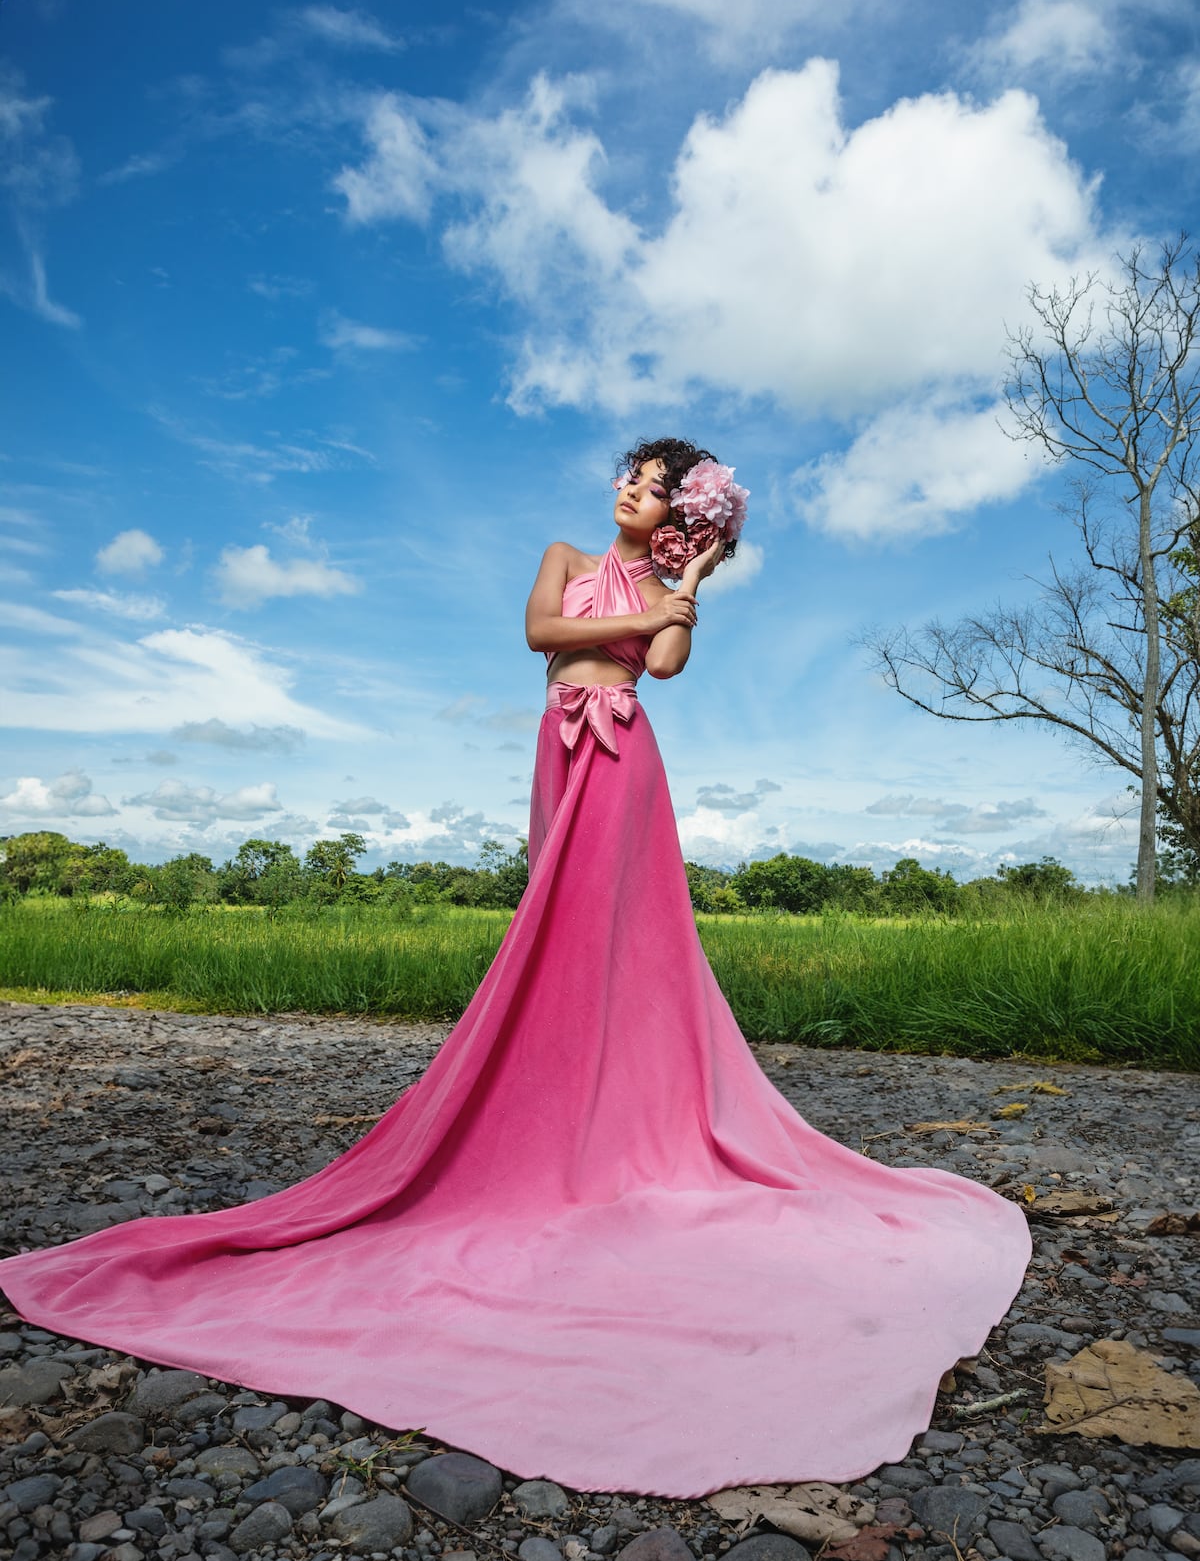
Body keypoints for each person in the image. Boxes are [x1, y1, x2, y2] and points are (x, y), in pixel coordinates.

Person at [0, 436, 1031, 1500]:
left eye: (662, 492)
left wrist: (693, 582)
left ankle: (620, 1122)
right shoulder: (562, 554)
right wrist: (641, 613)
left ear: (689, 516)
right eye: (632, 480)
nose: (634, 494)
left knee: (628, 939)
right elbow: (542, 632)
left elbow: (664, 670)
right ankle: (543, 1108)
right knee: (554, 926)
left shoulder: (673, 579)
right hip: (561, 743)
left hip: (627, 754)